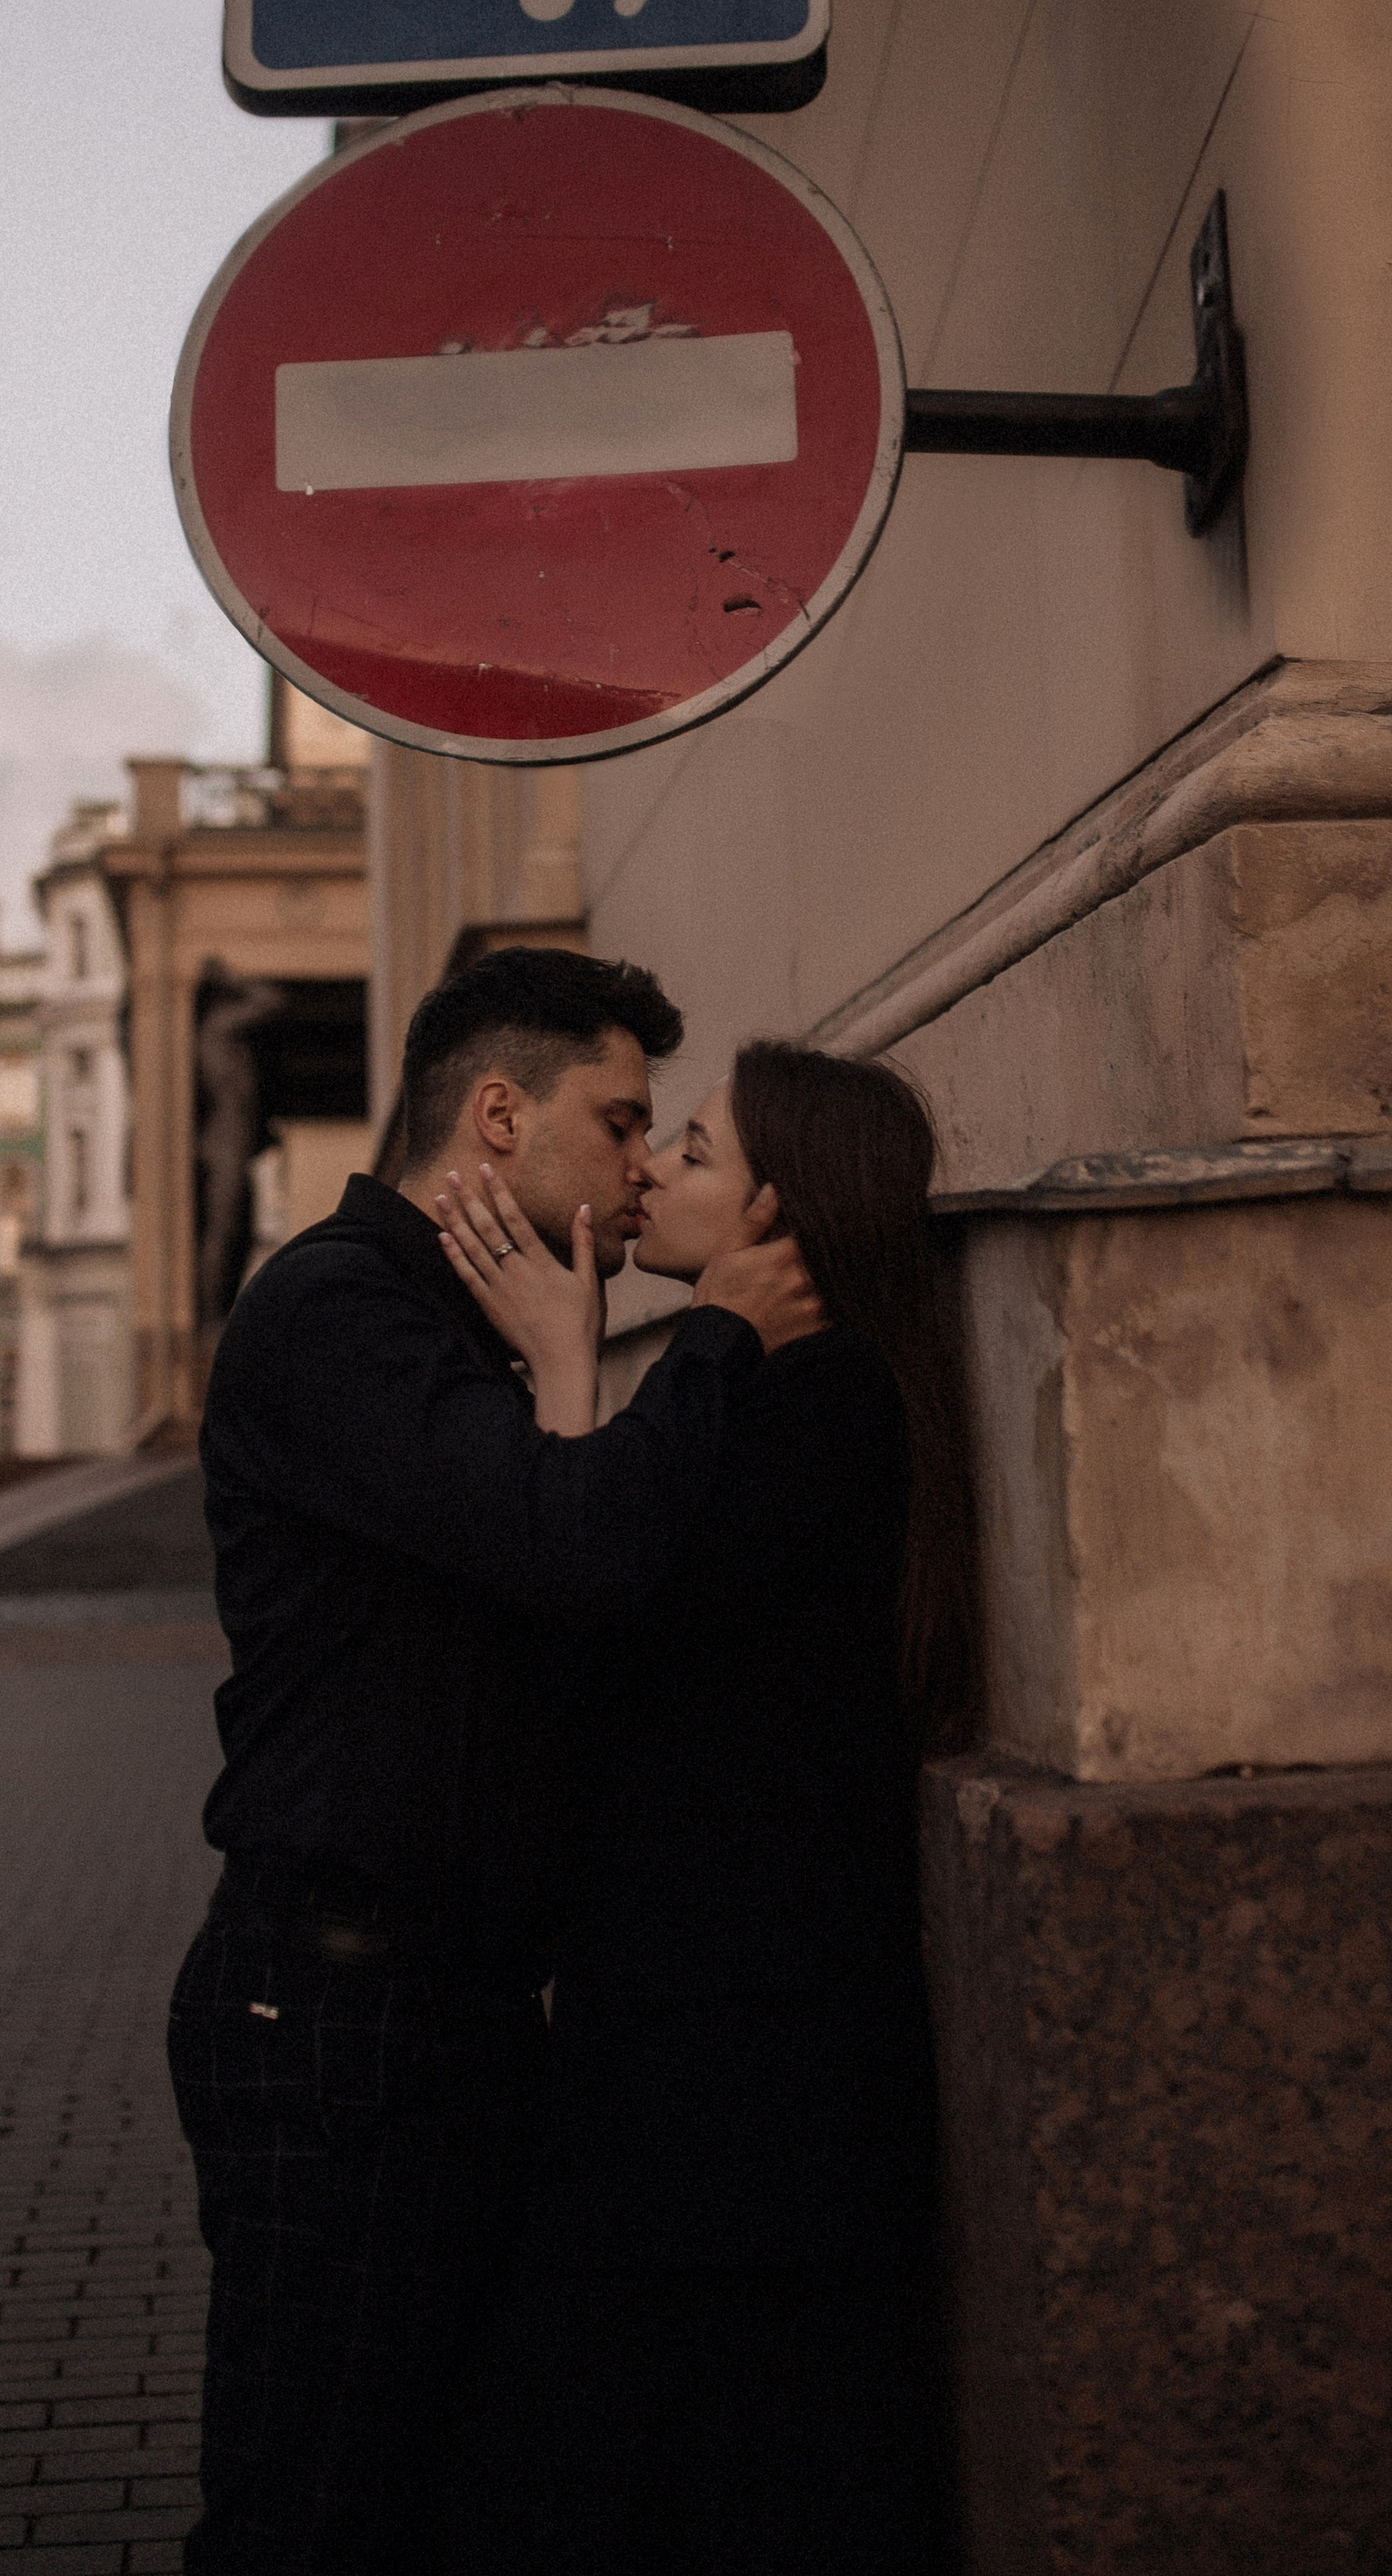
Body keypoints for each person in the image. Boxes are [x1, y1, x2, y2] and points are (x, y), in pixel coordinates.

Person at [167, 951, 823, 2576]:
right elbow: (573, 1546)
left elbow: (566, 1619)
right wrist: (721, 1336)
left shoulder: (456, 1316)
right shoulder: (332, 1312)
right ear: (499, 1111)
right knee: (309, 2511)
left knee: (438, 2497)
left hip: (438, 2019)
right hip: (337, 2023)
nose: (634, 1164)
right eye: (618, 1123)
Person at [435, 1040, 970, 2576]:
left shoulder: (813, 1410)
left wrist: (559, 1363)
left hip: (743, 2079)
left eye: (691, 1146)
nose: (651, 1166)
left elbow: (578, 1638)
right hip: (710, 2053)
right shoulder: (783, 1398)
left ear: (770, 1215)